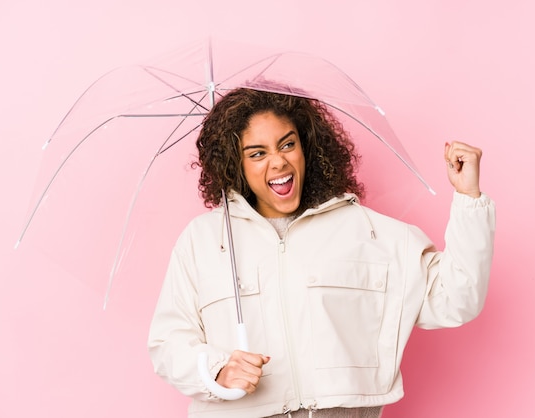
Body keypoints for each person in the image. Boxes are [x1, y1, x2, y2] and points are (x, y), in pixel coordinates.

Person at [148, 88, 496, 418]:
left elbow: (457, 297)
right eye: (257, 153)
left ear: (307, 146)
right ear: (234, 163)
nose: (278, 162)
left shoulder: (367, 230)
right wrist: (216, 369)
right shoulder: (203, 241)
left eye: (287, 145)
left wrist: (468, 198)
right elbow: (167, 343)